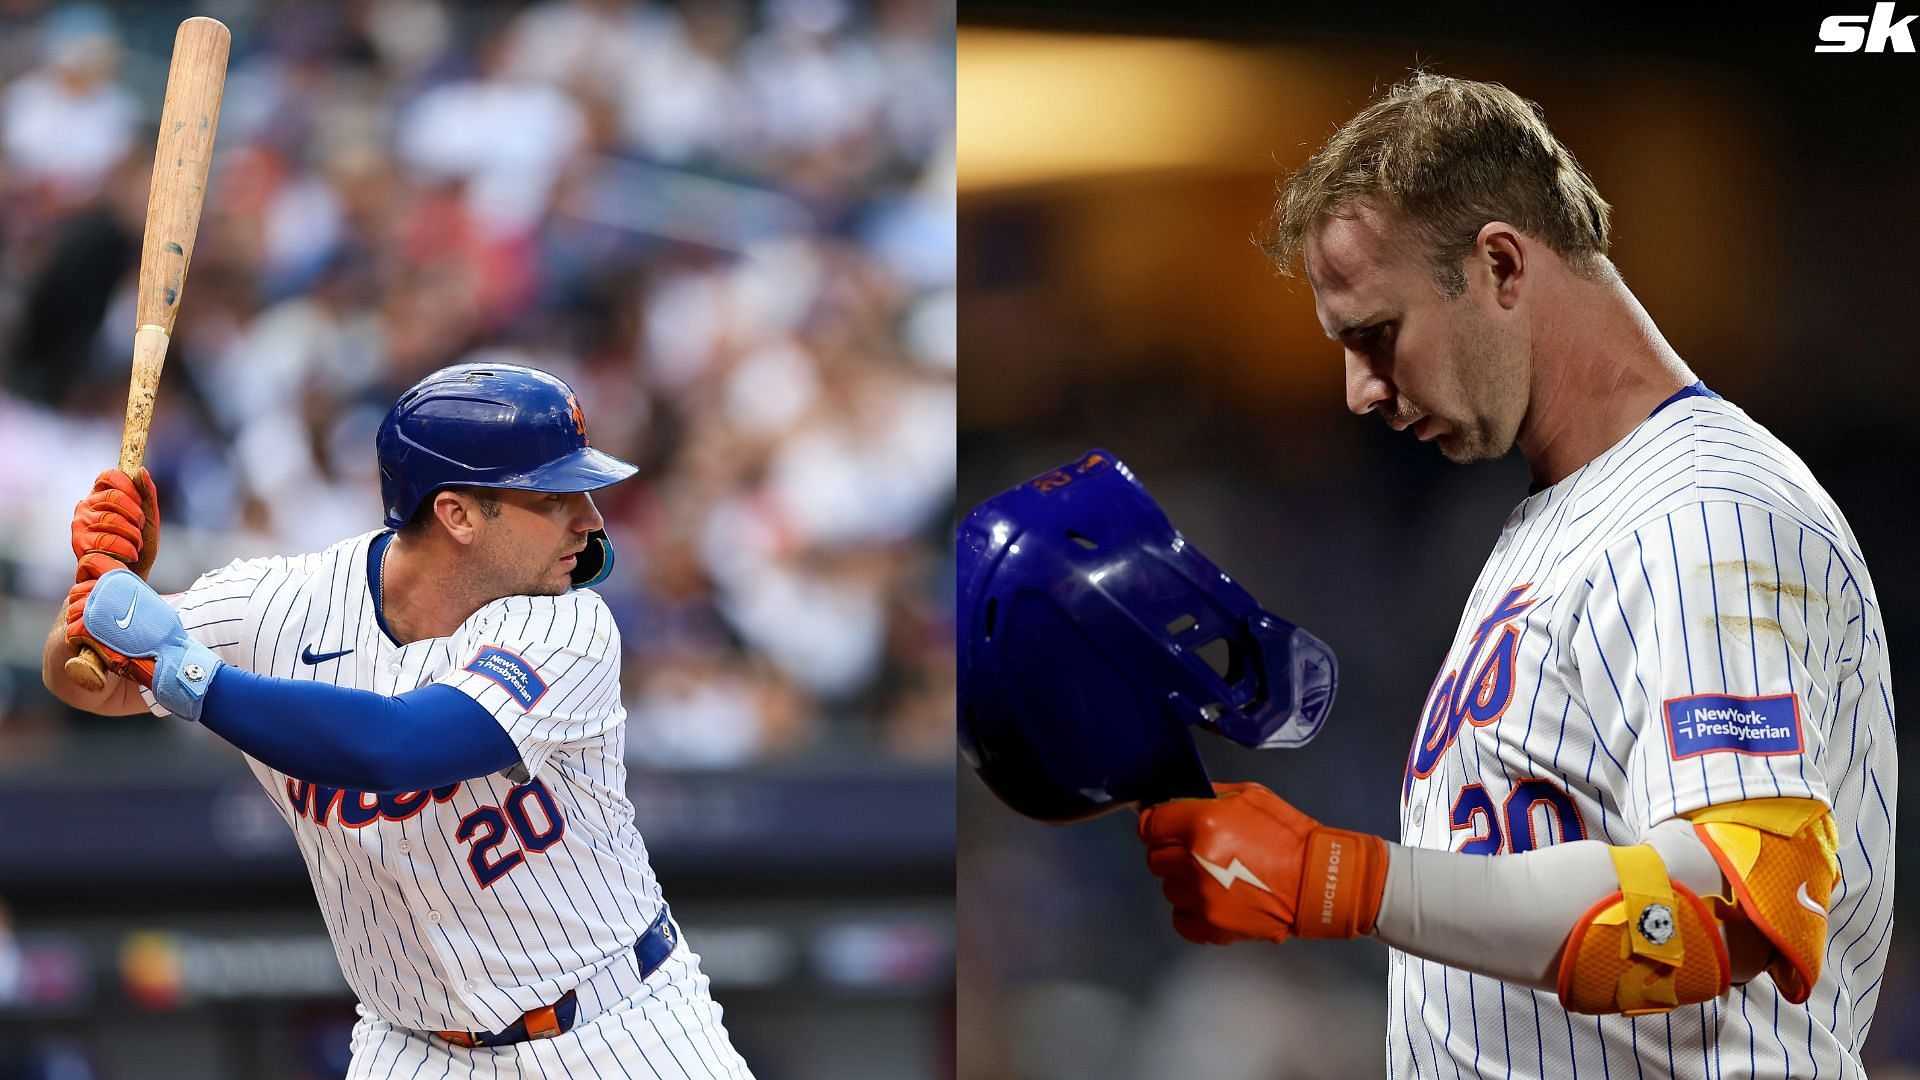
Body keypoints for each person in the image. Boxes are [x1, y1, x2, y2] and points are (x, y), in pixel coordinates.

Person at [1135, 74, 1895, 1077]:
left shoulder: (1701, 512)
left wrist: (1343, 880)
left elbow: (1731, 901)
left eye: (1375, 335)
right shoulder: (1562, 514)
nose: (1359, 392)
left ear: (1500, 263)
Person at [46, 363, 756, 1078]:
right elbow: (90, 682)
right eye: (556, 497)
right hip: (414, 1046)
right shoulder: (278, 605)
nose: (592, 521)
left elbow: (398, 745)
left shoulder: (570, 624)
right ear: (458, 514)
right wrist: (101, 591)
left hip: (618, 1026)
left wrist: (187, 673)